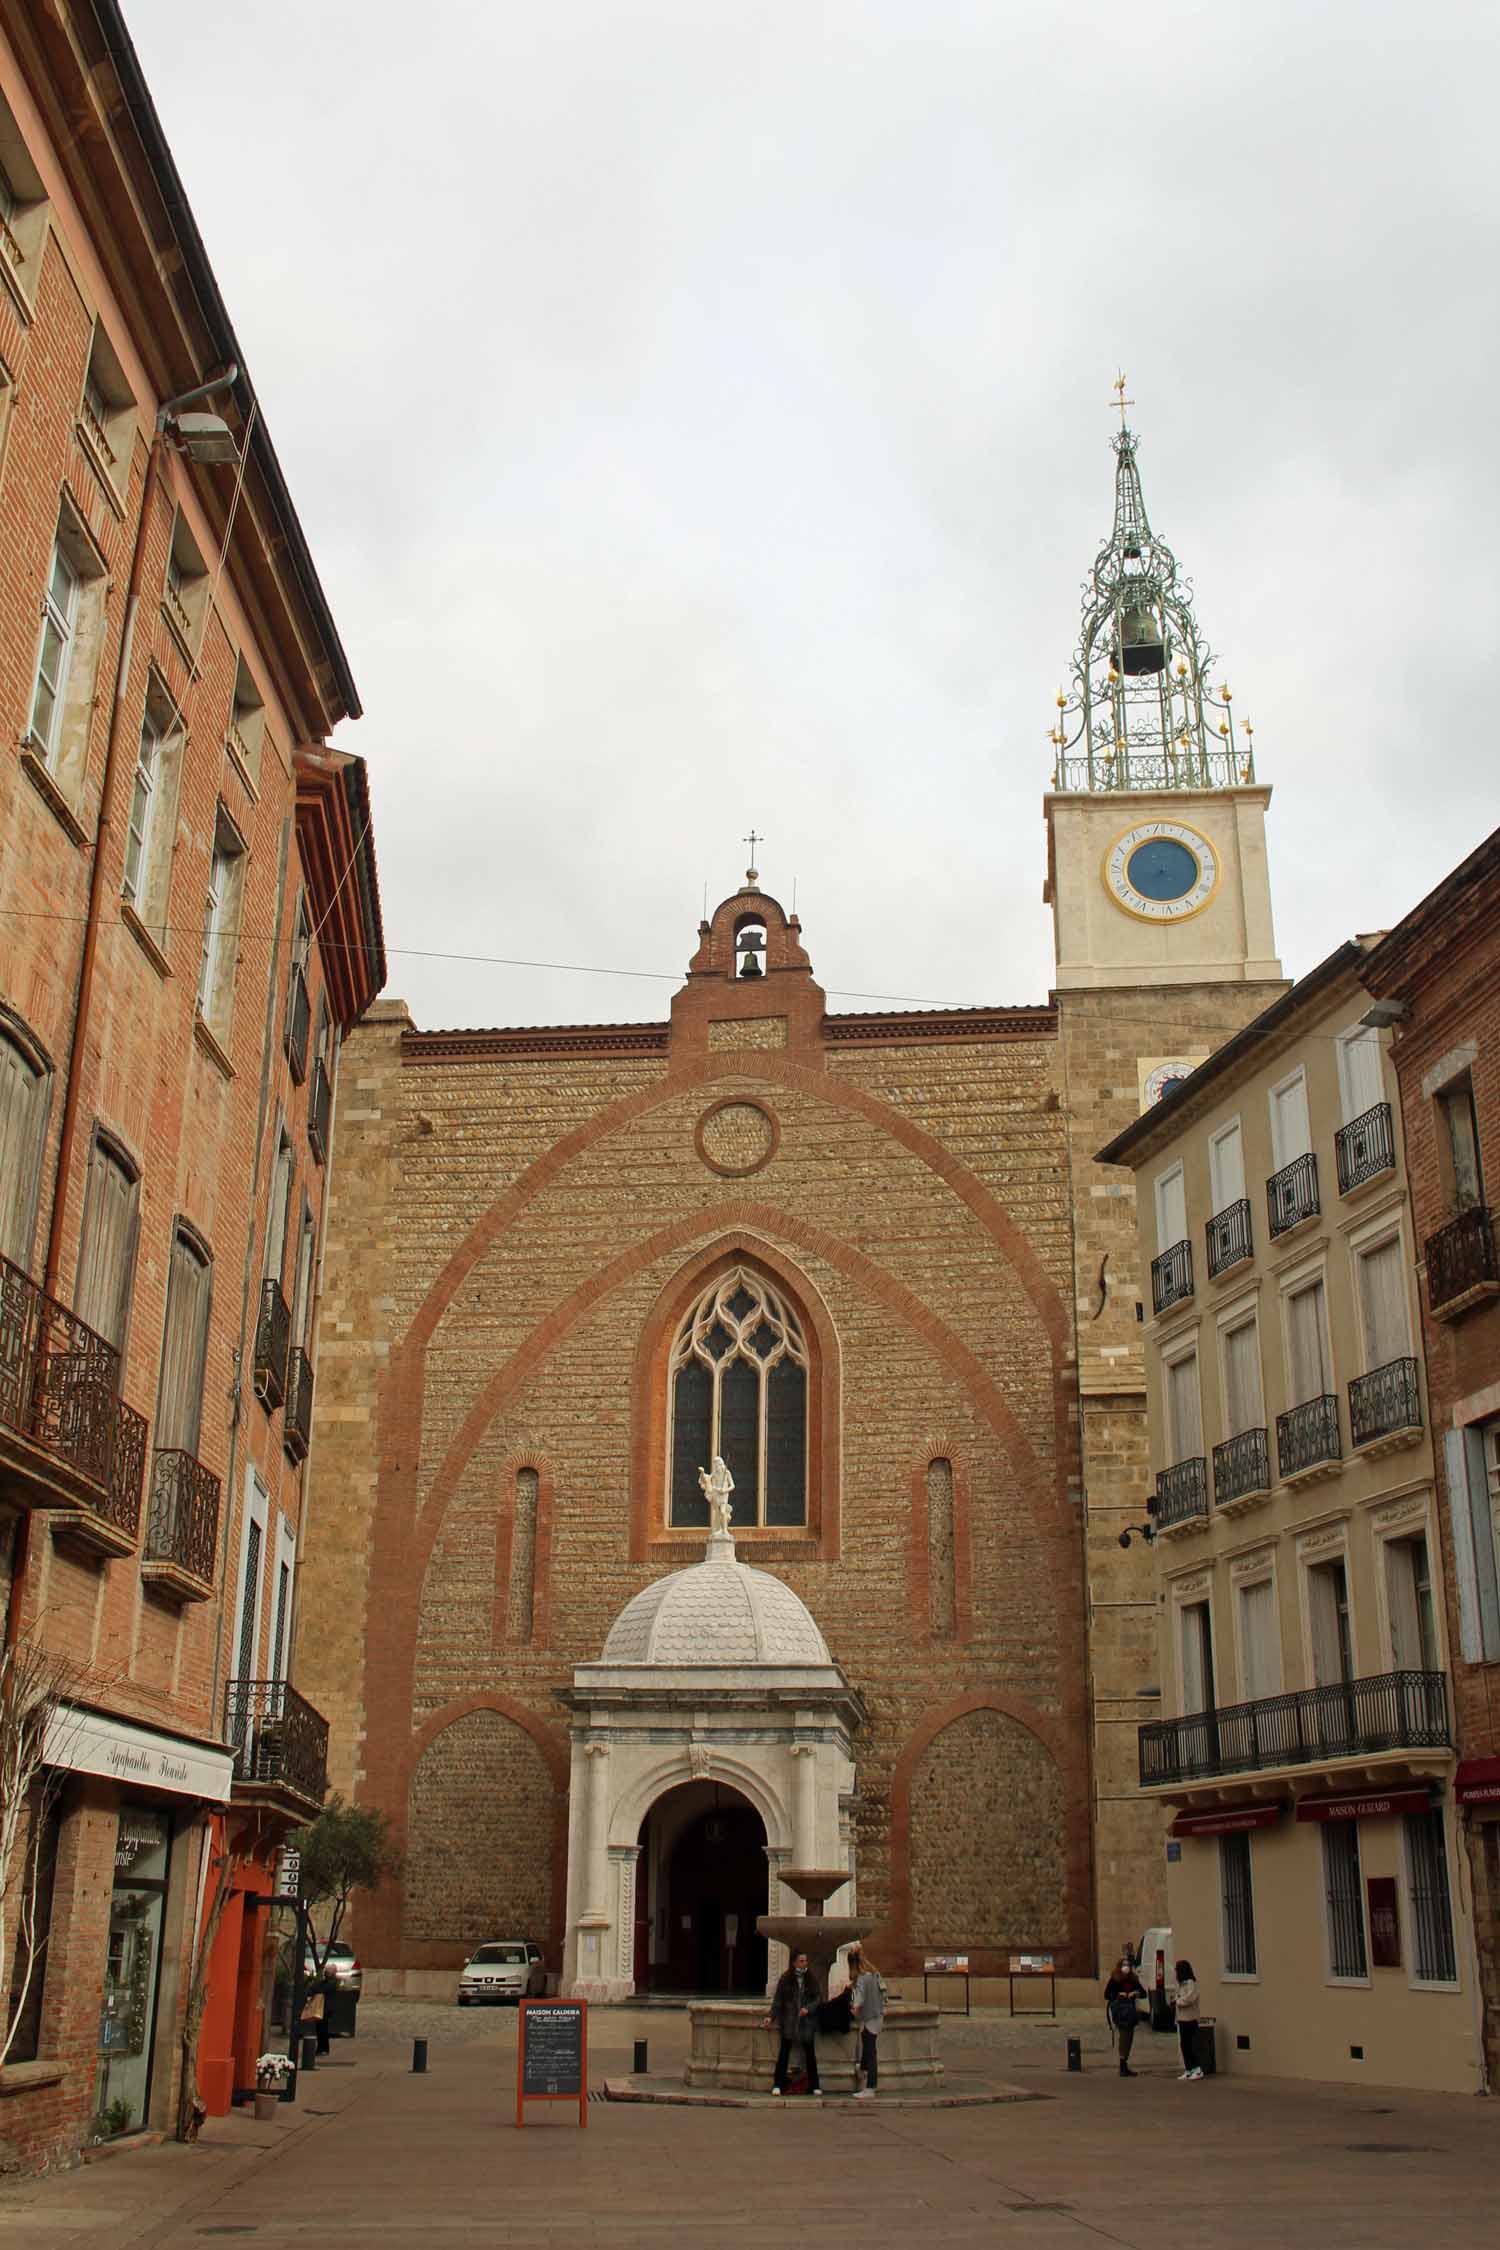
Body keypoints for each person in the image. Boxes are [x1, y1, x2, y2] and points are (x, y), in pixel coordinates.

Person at [767, 1950, 823, 2096]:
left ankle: (815, 2085)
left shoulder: (811, 1979)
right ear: (794, 1963)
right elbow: (778, 2001)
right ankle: (778, 2084)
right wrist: (771, 2016)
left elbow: (818, 1998)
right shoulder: (785, 1979)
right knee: (784, 2053)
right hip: (789, 2022)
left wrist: (808, 2009)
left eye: (805, 1961)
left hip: (806, 2023)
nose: (805, 1964)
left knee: (810, 2055)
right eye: (802, 1961)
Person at [847, 1944, 884, 2099]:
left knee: (870, 2051)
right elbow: (884, 1992)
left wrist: (855, 2008)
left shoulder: (862, 1978)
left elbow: (860, 1997)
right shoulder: (874, 1974)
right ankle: (861, 2069)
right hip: (877, 2016)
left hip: (868, 2018)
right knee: (868, 2047)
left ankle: (870, 2088)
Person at [1104, 1954, 1146, 2077]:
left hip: (1130, 2011)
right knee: (1124, 2035)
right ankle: (1123, 2064)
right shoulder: (1114, 1979)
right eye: (1124, 1965)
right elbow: (1107, 1994)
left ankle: (1124, 2063)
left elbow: (1143, 1993)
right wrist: (1118, 1994)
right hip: (1120, 2010)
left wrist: (1135, 1993)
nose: (1126, 1968)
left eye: (1128, 1965)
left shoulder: (1133, 1979)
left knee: (1129, 2036)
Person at [1173, 1958, 1203, 2081]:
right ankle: (1189, 2069)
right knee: (1184, 2044)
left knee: (1190, 2044)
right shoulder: (1182, 1984)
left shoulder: (1190, 1983)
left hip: (1190, 2018)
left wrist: (1177, 2001)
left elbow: (1190, 1998)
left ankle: (1197, 2069)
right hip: (1182, 2018)